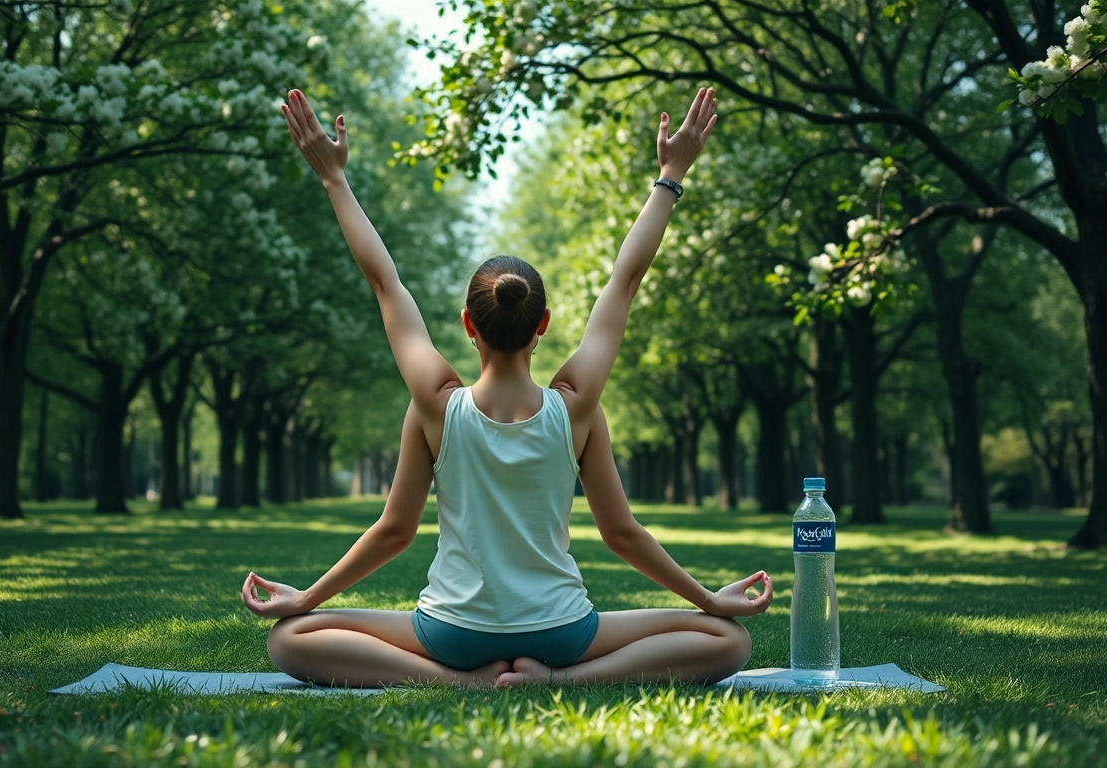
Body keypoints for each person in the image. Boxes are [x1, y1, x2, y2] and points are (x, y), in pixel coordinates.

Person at [240, 87, 773, 689]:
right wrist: (671, 175)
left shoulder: (435, 407)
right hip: (563, 632)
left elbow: (384, 283)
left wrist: (334, 178)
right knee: (728, 639)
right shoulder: (577, 408)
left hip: (451, 632)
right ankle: (555, 680)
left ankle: (464, 682)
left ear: (468, 325)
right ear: (542, 324)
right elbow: (625, 282)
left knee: (289, 637)